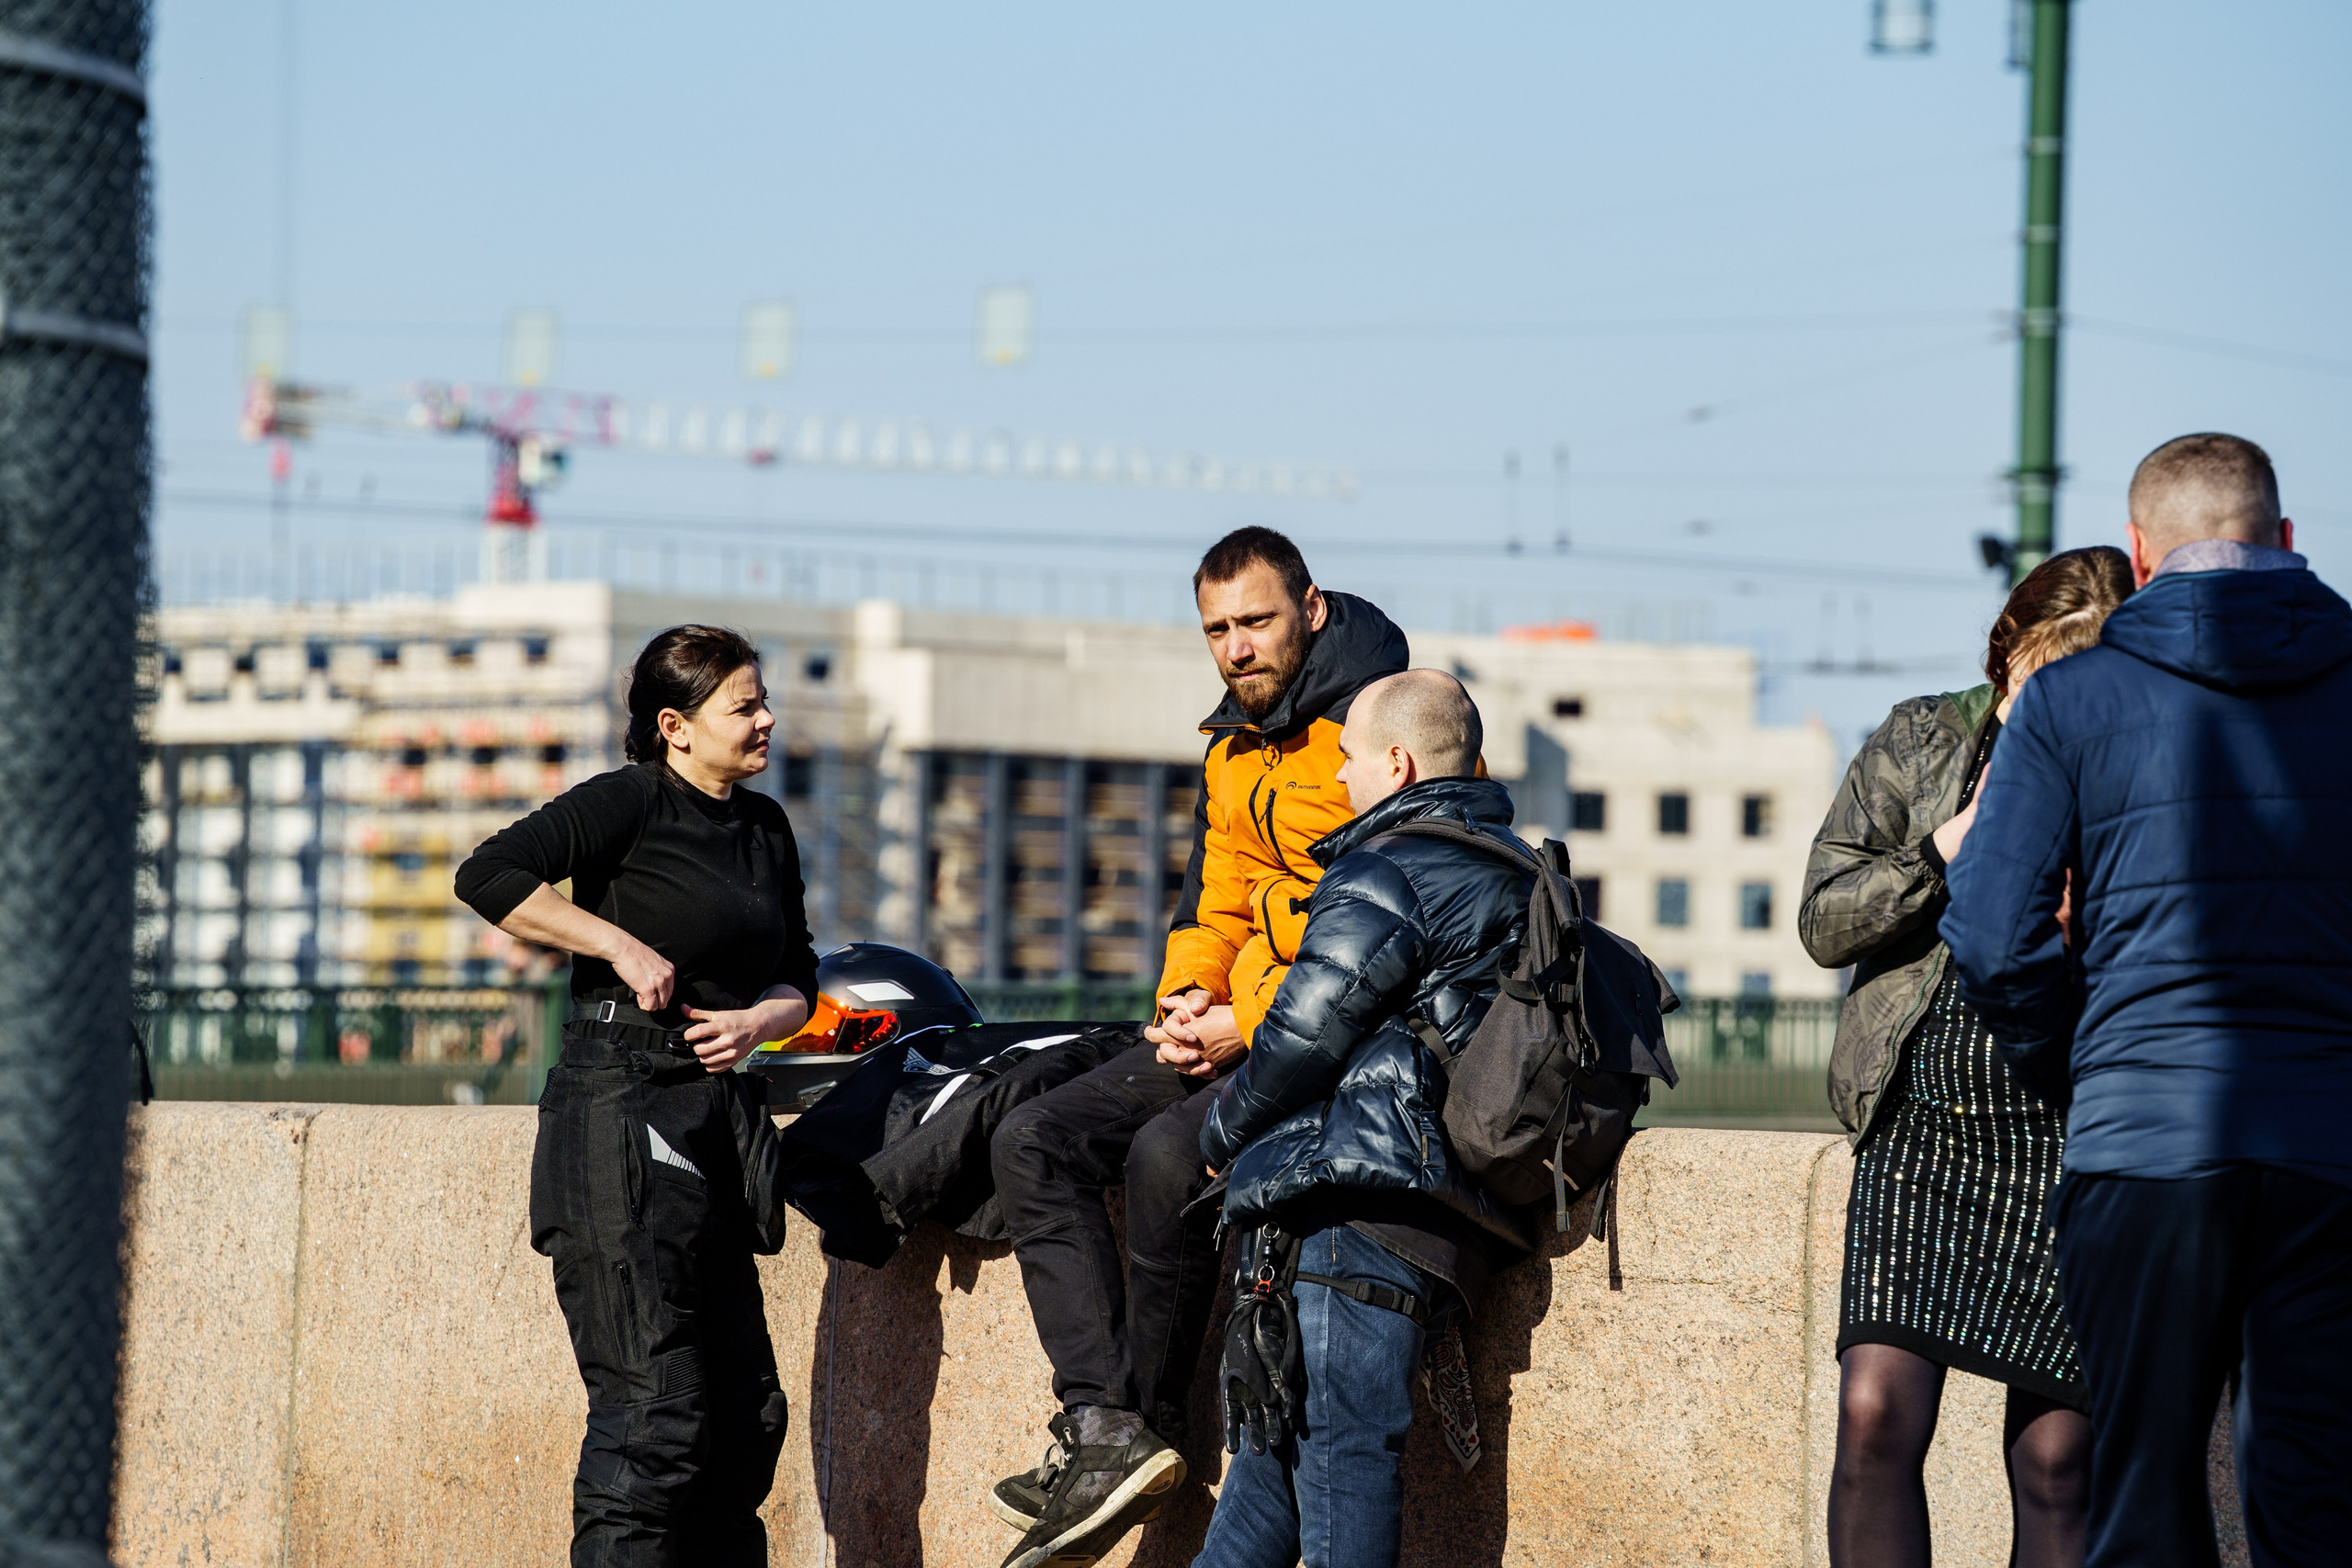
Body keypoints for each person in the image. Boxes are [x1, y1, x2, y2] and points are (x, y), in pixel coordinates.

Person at [1942, 434, 2352, 1568]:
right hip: (2331, 1147)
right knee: (2317, 1492)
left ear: (2138, 549)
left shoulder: (2074, 700)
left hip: (2144, 1145)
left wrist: (2073, 1052)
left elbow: (1988, 926)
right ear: (2283, 537)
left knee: (2142, 1490)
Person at [988, 527, 1408, 1568]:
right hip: (1229, 1020)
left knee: (1165, 1157)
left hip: (1323, 1038)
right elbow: (1215, 897)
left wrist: (1247, 1023)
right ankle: (1103, 1429)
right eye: (1216, 629)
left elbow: (1386, 930)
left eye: (1256, 621)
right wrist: (1186, 996)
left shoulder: (1382, 732)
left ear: (1310, 609)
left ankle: (1156, 1424)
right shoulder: (1231, 745)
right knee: (1033, 1136)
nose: (1236, 648)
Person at [454, 626, 815, 1568]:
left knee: (744, 1413)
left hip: (714, 1118)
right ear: (675, 726)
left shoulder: (765, 827)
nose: (767, 718)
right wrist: (614, 943)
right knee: (655, 1412)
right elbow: (487, 875)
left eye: (762, 698)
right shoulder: (629, 802)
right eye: (744, 705)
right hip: (615, 1108)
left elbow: (799, 974)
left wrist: (759, 1023)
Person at [1802, 546, 2132, 1568]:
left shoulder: (2137, 758)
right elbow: (1824, 923)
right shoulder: (1919, 738)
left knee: (2055, 1467)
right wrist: (1941, 852)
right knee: (1870, 1415)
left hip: (2071, 1143)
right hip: (1919, 1133)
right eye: (2042, 675)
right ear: (2005, 659)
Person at [1193, 669, 1531, 1568]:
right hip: (1445, 1211)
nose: (1338, 779)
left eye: (1347, 759)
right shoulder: (1517, 871)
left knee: (1342, 1478)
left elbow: (1303, 1031)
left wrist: (1216, 1135)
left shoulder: (1389, 868)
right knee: (1262, 1493)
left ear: (1396, 761)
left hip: (1357, 1215)